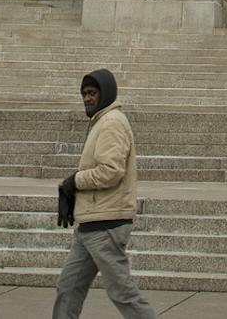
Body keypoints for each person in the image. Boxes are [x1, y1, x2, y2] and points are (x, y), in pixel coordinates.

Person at [53, 68, 156, 319]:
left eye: (92, 93)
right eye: (84, 94)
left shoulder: (111, 123)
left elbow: (111, 171)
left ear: (105, 93)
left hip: (105, 225)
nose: (87, 98)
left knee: (123, 293)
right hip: (90, 223)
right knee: (68, 288)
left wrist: (73, 181)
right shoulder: (101, 122)